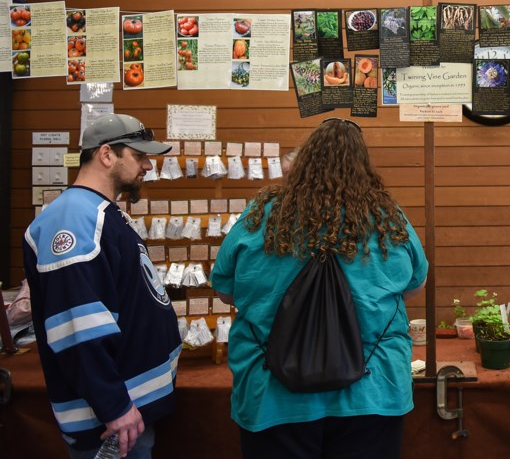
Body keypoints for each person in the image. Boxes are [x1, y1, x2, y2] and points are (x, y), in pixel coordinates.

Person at [211, 117, 428, 459]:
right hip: (372, 389)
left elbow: (225, 290)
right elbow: (414, 285)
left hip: (273, 391)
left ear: (302, 163)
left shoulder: (261, 215)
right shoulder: (387, 218)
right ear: (363, 167)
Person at [22, 113, 181, 458]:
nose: (148, 167)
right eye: (139, 157)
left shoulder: (98, 212)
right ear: (107, 155)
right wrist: (114, 406)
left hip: (126, 412)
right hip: (113, 422)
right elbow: (77, 325)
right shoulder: (75, 217)